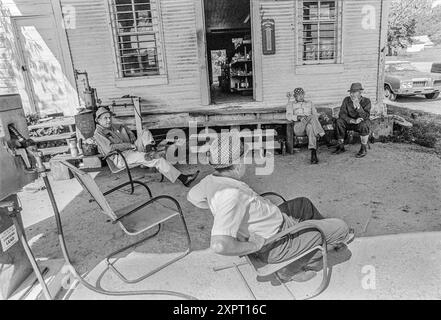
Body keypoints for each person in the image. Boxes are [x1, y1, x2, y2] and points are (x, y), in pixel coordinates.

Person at [187, 133, 354, 282]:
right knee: (342, 228)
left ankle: (320, 239)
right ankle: (291, 269)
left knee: (303, 203)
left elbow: (192, 197)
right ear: (238, 164)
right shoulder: (231, 194)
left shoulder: (210, 181)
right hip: (276, 243)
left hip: (275, 225)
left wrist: (224, 212)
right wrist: (255, 245)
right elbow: (219, 245)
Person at [93, 107, 199, 187]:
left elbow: (128, 134)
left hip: (131, 149)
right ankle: (184, 179)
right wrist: (128, 145)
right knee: (157, 159)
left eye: (109, 117)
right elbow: (110, 148)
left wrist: (128, 134)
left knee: (145, 132)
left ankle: (150, 151)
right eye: (105, 118)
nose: (108, 120)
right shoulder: (98, 134)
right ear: (98, 120)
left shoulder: (113, 127)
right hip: (121, 157)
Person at [286, 88, 325, 164]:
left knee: (310, 127)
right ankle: (321, 133)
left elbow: (315, 114)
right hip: (298, 126)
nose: (301, 96)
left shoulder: (309, 103)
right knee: (312, 117)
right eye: (298, 95)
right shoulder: (291, 104)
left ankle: (313, 154)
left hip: (309, 125)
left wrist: (321, 115)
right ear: (295, 96)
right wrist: (298, 117)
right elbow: (288, 116)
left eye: (302, 94)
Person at [334, 83, 371, 158]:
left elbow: (366, 116)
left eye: (354, 92)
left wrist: (358, 106)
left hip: (360, 123)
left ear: (360, 92)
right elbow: (342, 114)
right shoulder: (346, 100)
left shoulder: (366, 101)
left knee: (365, 124)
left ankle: (363, 148)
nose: (351, 94)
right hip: (350, 122)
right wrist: (352, 120)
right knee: (339, 121)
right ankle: (341, 146)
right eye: (351, 92)